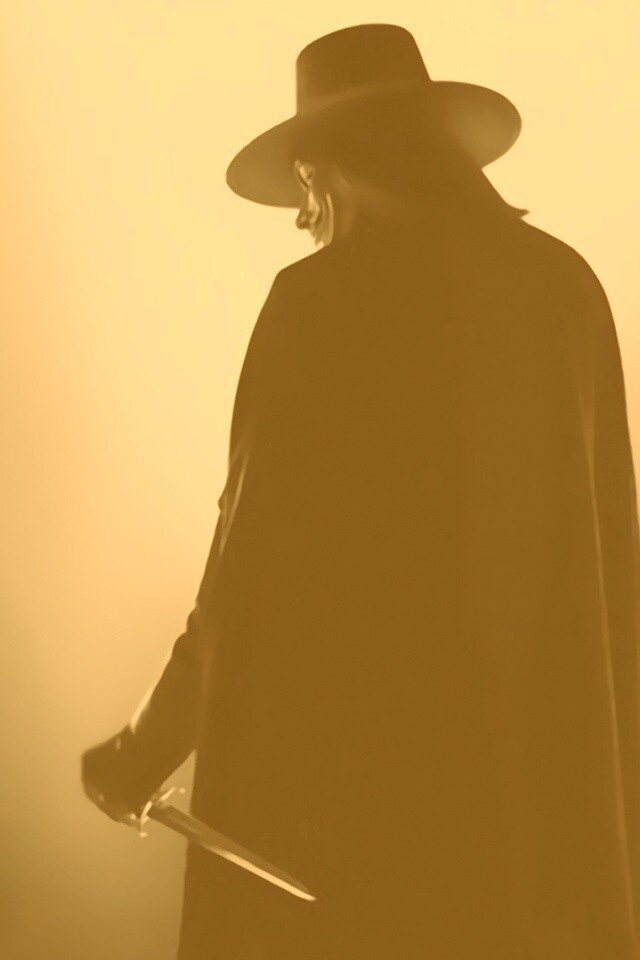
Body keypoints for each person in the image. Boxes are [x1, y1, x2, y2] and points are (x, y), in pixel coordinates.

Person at [81, 23, 640, 960]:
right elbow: (613, 566)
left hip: (361, 842)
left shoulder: (318, 308)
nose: (305, 218)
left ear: (327, 172)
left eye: (304, 187)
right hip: (536, 847)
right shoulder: (567, 292)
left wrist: (140, 750)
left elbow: (243, 577)